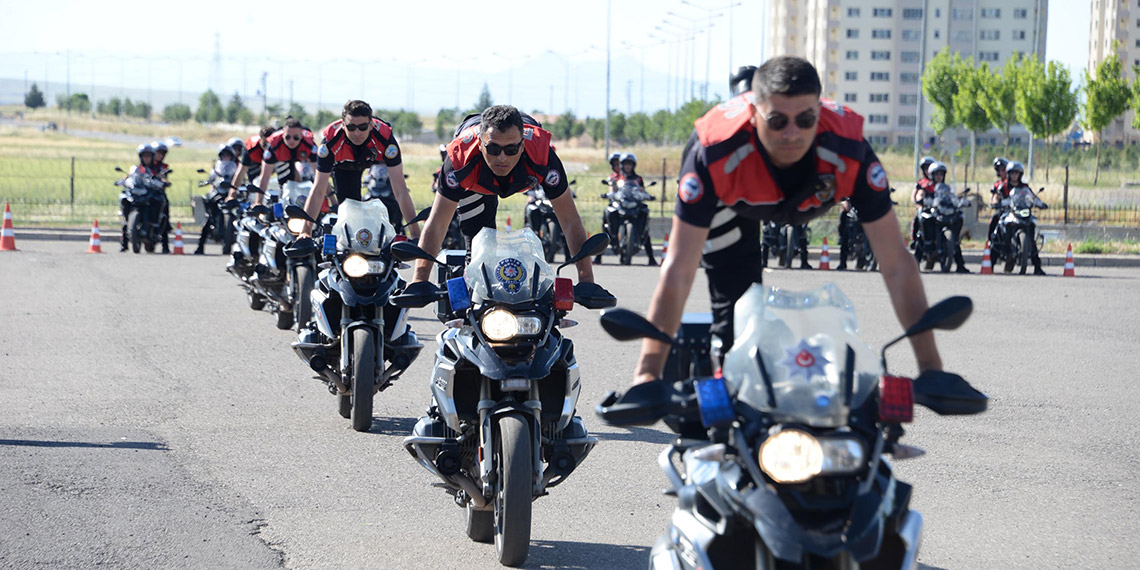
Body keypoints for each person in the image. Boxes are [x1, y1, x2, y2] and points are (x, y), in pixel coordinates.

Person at [628, 56, 950, 388]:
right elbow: (679, 269)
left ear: (820, 114)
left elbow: (896, 264)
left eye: (806, 119)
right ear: (754, 114)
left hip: (801, 195)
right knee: (736, 324)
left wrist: (932, 369)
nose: (792, 133)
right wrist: (647, 375)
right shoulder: (713, 153)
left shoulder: (849, 149)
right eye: (778, 120)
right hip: (732, 201)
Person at [410, 105, 608, 301]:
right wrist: (419, 280)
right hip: (476, 182)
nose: (502, 158)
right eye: (493, 149)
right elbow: (438, 223)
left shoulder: (542, 156)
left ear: (522, 146)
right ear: (480, 144)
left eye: (511, 149)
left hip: (523, 166)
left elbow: (570, 219)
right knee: (478, 259)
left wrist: (586, 281)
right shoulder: (460, 160)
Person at [297, 100, 420, 239]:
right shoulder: (330, 142)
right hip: (345, 167)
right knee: (351, 218)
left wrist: (415, 233)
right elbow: (318, 190)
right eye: (351, 127)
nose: (357, 133)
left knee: (389, 199)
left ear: (371, 125)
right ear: (343, 125)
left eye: (362, 127)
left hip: (376, 160)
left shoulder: (385, 138)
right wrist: (305, 231)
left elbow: (401, 190)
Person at [1004, 161, 1047, 275]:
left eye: (1017, 173)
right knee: (1001, 225)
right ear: (1008, 174)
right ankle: (994, 259)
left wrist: (1040, 204)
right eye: (1012, 173)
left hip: (1023, 212)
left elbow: (1032, 197)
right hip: (1009, 212)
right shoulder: (1004, 186)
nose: (1014, 175)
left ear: (1020, 175)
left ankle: (1037, 267)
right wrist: (998, 202)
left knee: (1032, 237)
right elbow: (997, 197)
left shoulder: (1024, 187)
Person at [195, 144, 239, 255]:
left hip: (230, 193)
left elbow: (240, 178)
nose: (226, 157)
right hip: (218, 193)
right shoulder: (216, 167)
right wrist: (209, 181)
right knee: (208, 219)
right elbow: (212, 177)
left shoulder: (235, 167)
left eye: (228, 155)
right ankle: (200, 246)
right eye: (224, 155)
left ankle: (235, 245)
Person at [121, 143, 156, 251]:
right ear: (141, 157)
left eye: (148, 156)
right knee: (124, 202)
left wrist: (161, 181)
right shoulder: (136, 168)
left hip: (149, 193)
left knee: (158, 203)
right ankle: (124, 244)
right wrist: (124, 180)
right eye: (144, 156)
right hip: (137, 193)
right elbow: (129, 176)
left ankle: (161, 239)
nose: (147, 158)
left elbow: (160, 178)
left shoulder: (154, 169)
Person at [987, 157, 1010, 240]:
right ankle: (991, 241)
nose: (1002, 172)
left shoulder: (1016, 183)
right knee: (994, 217)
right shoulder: (997, 184)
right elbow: (994, 197)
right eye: (1000, 170)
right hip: (1003, 209)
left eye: (1004, 169)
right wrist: (995, 203)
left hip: (1016, 208)